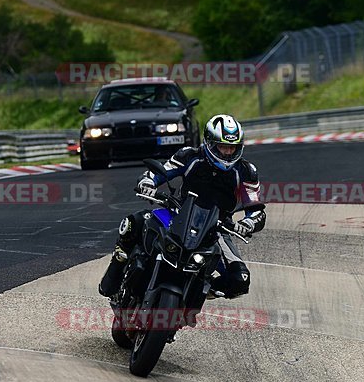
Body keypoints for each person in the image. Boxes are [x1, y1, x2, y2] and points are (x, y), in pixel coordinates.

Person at [98, 114, 266, 300]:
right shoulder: (189, 156)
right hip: (177, 213)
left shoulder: (247, 172)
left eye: (232, 148)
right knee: (133, 223)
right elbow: (160, 172)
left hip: (217, 230)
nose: (227, 153)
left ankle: (198, 293)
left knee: (240, 280)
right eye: (222, 147)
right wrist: (148, 182)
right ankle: (116, 270)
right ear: (209, 143)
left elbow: (256, 208)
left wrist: (248, 223)